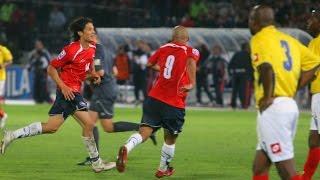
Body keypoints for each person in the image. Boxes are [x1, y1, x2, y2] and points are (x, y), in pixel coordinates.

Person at [0, 17, 115, 172]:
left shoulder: (93, 49)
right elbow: (51, 68)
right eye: (89, 29)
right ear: (80, 32)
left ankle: (12, 135)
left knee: (52, 127)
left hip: (71, 91)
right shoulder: (71, 50)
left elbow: (82, 73)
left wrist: (92, 75)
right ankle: (97, 163)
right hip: (68, 91)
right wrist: (63, 86)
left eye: (93, 28)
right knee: (88, 124)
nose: (92, 31)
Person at [116, 26, 200, 178]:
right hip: (173, 102)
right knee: (170, 138)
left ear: (173, 37)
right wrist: (192, 83)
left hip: (154, 99)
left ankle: (127, 148)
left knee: (144, 132)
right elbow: (191, 62)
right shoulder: (190, 50)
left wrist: (163, 71)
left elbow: (149, 64)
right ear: (186, 39)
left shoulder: (163, 48)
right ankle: (162, 169)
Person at [249, 5, 320, 180]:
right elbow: (314, 63)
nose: (249, 22)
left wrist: (268, 96)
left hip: (274, 107)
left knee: (285, 169)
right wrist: (294, 87)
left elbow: (266, 68)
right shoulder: (288, 39)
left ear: (257, 22)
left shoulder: (260, 38)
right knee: (260, 165)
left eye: (251, 19)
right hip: (287, 104)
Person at [77, 32, 157, 166]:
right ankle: (143, 128)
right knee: (107, 127)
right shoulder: (107, 51)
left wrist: (81, 76)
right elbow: (114, 71)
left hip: (103, 91)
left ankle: (93, 158)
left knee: (89, 123)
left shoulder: (96, 51)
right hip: (106, 90)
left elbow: (99, 73)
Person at [301, 9, 320, 179]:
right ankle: (306, 176)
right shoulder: (314, 42)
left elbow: (311, 69)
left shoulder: (317, 42)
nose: (309, 23)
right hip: (317, 94)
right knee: (314, 138)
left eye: (312, 19)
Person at [228, 42, 253, 109]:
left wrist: (230, 73)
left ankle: (233, 104)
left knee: (235, 90)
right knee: (244, 90)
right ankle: (244, 105)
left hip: (235, 74)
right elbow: (251, 66)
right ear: (246, 47)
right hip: (244, 75)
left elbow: (230, 64)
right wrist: (251, 76)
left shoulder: (237, 54)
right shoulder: (249, 55)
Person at [0, 44, 12, 129]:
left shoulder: (2, 49)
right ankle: (2, 115)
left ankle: (3, 115)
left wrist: (2, 66)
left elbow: (10, 61)